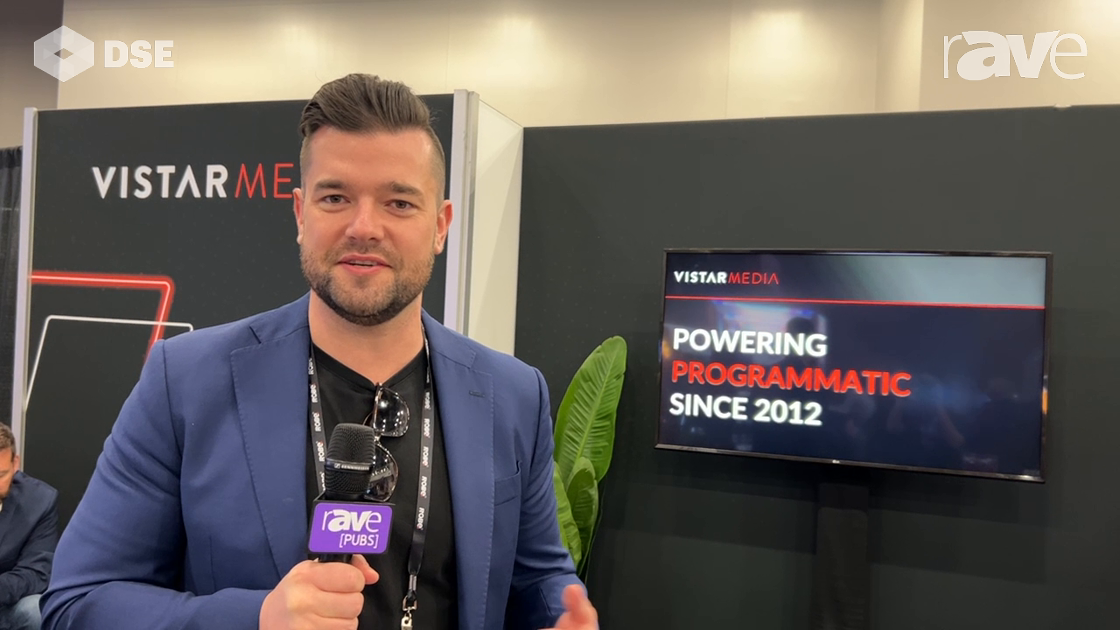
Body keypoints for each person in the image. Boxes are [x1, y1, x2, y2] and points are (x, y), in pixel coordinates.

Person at [40, 74, 599, 630]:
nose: (364, 227)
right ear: (300, 214)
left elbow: (539, 582)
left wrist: (562, 614)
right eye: (335, 198)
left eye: (399, 202)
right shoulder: (185, 381)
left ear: (440, 225)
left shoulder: (511, 394)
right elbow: (78, 602)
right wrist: (257, 618)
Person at [0, 422, 59, 630]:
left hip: (4, 602)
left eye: (0, 475)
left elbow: (36, 572)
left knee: (35, 610)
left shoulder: (39, 501)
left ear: (15, 463)